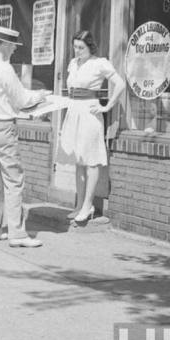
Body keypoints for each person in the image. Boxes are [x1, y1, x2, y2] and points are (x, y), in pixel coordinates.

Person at [0, 24, 51, 248]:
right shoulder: (4, 69)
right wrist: (41, 95)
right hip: (2, 127)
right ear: (6, 45)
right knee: (14, 179)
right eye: (13, 46)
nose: (15, 50)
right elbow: (22, 101)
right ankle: (17, 234)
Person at [60, 30, 125, 224]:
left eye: (81, 47)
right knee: (78, 160)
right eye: (75, 47)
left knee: (91, 160)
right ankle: (79, 205)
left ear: (90, 47)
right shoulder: (73, 64)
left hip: (90, 114)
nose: (77, 51)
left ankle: (89, 205)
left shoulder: (99, 63)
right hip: (74, 113)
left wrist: (107, 105)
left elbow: (120, 84)